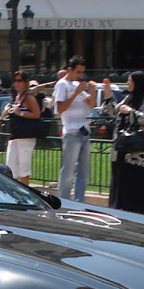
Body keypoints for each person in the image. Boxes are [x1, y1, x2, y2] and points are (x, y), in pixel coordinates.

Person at [101, 70, 144, 214]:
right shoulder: (128, 97)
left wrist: (130, 111)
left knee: (135, 180)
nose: (128, 83)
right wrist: (108, 94)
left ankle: (136, 211)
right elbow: (113, 112)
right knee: (121, 178)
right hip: (122, 147)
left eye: (130, 81)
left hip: (138, 151)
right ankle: (119, 208)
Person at [53, 55, 96, 201]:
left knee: (84, 173)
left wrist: (92, 90)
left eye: (82, 72)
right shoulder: (62, 85)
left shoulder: (76, 85)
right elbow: (59, 109)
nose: (80, 75)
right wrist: (75, 94)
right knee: (68, 172)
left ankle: (79, 202)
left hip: (84, 131)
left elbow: (91, 104)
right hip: (72, 133)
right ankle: (64, 202)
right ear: (69, 69)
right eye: (78, 72)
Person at [3, 70, 45, 185]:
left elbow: (37, 114)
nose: (16, 83)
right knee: (10, 167)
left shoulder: (29, 97)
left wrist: (20, 113)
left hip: (26, 137)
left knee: (24, 168)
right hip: (15, 136)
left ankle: (25, 193)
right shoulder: (17, 97)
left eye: (19, 80)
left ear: (26, 82)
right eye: (15, 80)